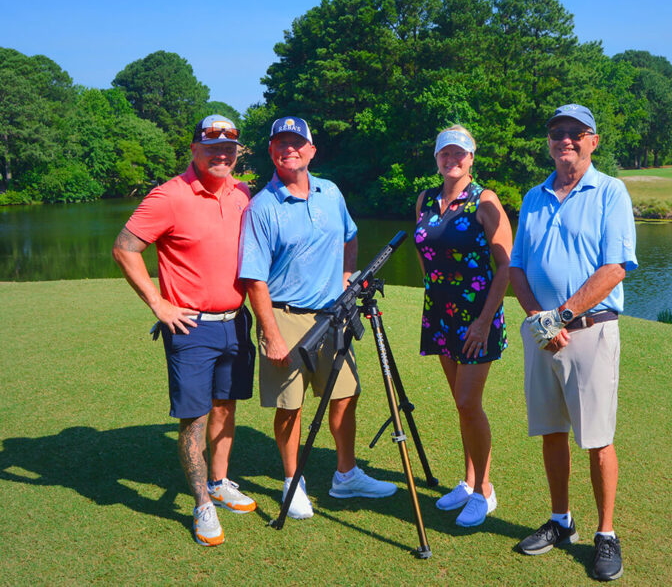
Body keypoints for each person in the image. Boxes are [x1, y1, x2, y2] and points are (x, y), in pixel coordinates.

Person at [238, 116, 396, 520]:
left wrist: (347, 273)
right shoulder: (262, 207)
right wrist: (270, 334)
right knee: (290, 405)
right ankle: (293, 480)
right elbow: (254, 279)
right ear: (272, 151)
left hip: (334, 315)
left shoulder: (330, 192)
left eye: (297, 143)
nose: (289, 149)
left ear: (311, 150)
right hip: (285, 315)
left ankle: (346, 475)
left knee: (346, 395)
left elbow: (349, 234)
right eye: (281, 144)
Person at [112, 115, 256, 547]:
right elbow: (125, 247)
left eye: (229, 148)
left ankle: (219, 482)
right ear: (194, 149)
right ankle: (201, 504)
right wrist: (158, 303)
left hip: (236, 322)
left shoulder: (242, 192)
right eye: (212, 147)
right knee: (193, 419)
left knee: (226, 407)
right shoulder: (169, 196)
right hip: (190, 326)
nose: (221, 155)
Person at [509, 104, 637, 581]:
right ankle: (561, 521)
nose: (565, 140)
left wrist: (561, 315)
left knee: (597, 437)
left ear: (593, 141)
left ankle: (606, 533)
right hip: (544, 333)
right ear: (548, 142)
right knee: (551, 430)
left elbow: (615, 268)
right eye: (557, 133)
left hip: (590, 330)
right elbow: (517, 266)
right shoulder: (534, 196)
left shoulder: (610, 191)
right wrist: (540, 320)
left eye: (575, 134)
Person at [414, 125, 512, 527]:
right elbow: (426, 250)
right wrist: (434, 293)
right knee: (461, 403)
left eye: (459, 153)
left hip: (477, 318)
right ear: (437, 159)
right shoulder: (424, 199)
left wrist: (483, 321)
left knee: (469, 403)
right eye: (444, 154)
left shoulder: (484, 201)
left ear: (471, 158)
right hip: (440, 315)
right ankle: (469, 479)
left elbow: (506, 264)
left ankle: (484, 490)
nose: (451, 159)